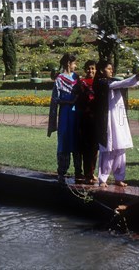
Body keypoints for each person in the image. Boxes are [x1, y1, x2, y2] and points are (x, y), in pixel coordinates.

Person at [93, 60, 139, 187]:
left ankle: (119, 178)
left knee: (120, 147)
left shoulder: (111, 81)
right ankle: (103, 179)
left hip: (119, 119)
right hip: (107, 120)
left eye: (111, 68)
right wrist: (137, 76)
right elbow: (120, 83)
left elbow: (126, 84)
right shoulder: (100, 82)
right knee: (108, 149)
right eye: (109, 69)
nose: (111, 71)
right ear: (102, 70)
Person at [48, 53, 82, 184]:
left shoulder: (76, 77)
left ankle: (79, 171)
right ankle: (62, 171)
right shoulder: (60, 79)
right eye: (74, 63)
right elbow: (55, 99)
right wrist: (68, 102)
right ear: (68, 63)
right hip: (65, 114)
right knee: (65, 141)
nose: (75, 66)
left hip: (76, 114)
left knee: (77, 141)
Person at [73, 60, 97, 184]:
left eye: (93, 68)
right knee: (85, 147)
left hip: (96, 120)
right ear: (85, 70)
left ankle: (91, 173)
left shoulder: (99, 82)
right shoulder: (81, 83)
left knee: (94, 148)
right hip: (84, 119)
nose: (90, 71)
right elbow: (77, 99)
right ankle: (86, 174)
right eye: (88, 68)